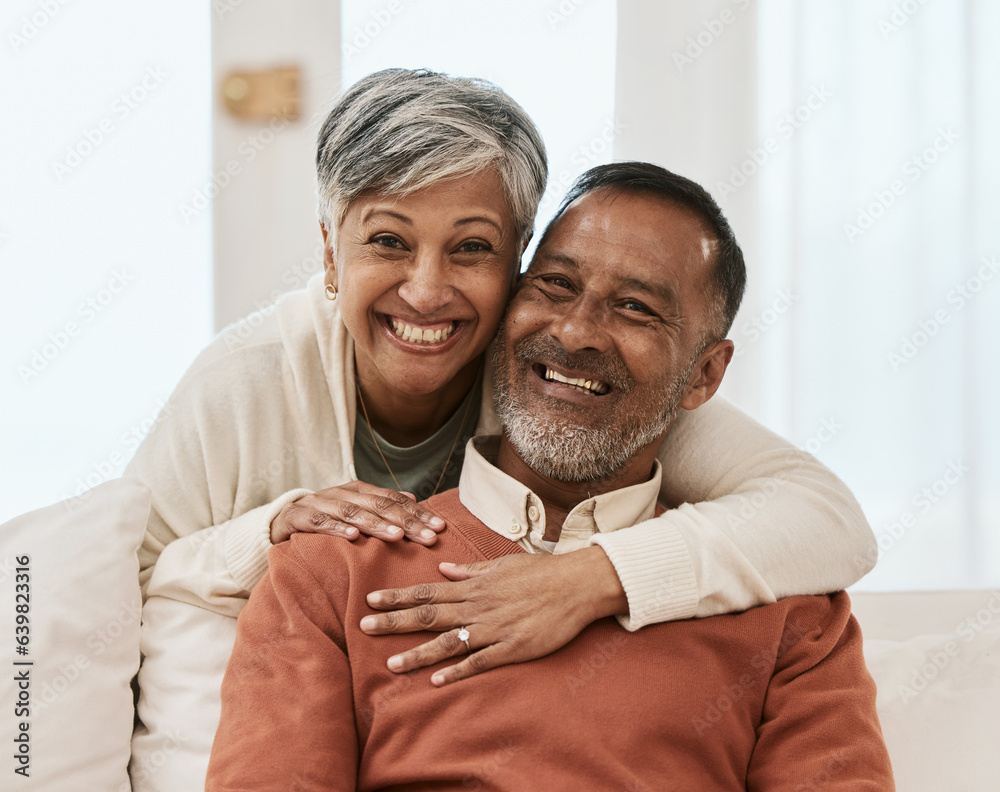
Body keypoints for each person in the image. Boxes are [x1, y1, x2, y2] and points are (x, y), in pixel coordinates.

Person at [129, 69, 875, 785]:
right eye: (388, 240)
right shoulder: (301, 513)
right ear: (330, 251)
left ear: (513, 264)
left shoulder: (779, 597)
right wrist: (273, 532)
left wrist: (587, 580)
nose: (426, 293)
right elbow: (124, 597)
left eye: (472, 247)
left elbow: (825, 516)